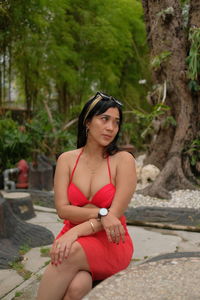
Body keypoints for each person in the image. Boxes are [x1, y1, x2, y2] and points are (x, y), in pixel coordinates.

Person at [37, 91, 137, 300]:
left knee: (68, 252)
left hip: (111, 242)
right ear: (87, 122)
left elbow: (115, 215)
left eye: (116, 122)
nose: (111, 127)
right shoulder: (66, 160)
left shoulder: (123, 161)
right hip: (73, 233)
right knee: (76, 288)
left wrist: (74, 233)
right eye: (104, 119)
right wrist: (101, 212)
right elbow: (62, 209)